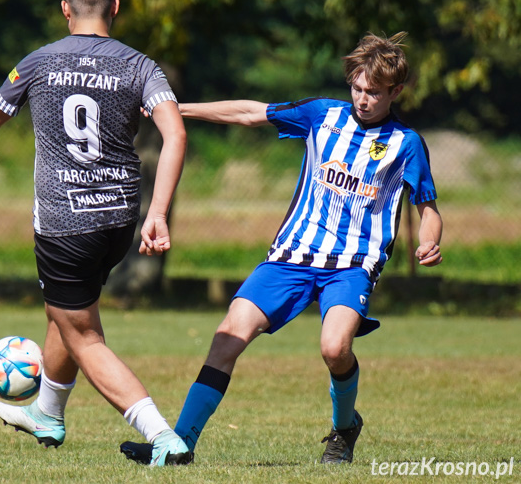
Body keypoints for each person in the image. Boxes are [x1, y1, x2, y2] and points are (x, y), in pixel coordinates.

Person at [120, 32, 443, 465]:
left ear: (396, 92)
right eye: (358, 88)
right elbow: (251, 113)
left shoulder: (406, 144)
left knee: (334, 349)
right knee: (226, 337)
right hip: (291, 258)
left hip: (351, 267)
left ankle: (344, 428)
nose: (363, 99)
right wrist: (175, 108)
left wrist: (429, 240)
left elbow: (429, 209)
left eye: (375, 93)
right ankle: (178, 444)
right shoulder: (321, 116)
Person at [0, 0, 191, 466]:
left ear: (65, 9)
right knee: (65, 310)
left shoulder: (37, 63)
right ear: (116, 8)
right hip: (119, 218)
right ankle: (47, 414)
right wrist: (160, 214)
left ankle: (163, 436)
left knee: (83, 334)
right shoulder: (141, 66)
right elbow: (176, 134)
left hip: (64, 223)